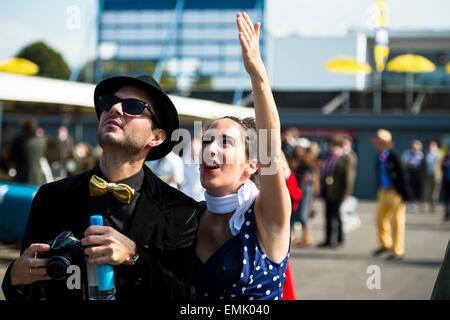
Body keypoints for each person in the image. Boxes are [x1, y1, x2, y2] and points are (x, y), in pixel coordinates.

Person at [2, 75, 199, 300]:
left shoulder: (180, 211)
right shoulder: (52, 197)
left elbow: (187, 298)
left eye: (133, 107)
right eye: (108, 102)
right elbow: (31, 289)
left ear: (155, 137)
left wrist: (134, 257)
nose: (114, 108)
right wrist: (14, 279)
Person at [194, 12, 291, 300]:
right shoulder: (189, 217)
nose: (210, 149)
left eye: (225, 142)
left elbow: (271, 145)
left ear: (251, 165)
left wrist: (258, 77)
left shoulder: (267, 217)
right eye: (207, 141)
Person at [371, 129, 413, 260]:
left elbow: (403, 175)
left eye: (381, 142)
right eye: (378, 142)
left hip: (395, 193)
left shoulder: (394, 155)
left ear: (387, 143)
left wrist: (408, 196)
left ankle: (397, 250)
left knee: (397, 221)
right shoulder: (379, 157)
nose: (379, 145)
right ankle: (385, 244)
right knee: (379, 218)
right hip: (383, 192)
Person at [318, 134, 356, 248]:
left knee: (337, 216)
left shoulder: (345, 157)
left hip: (338, 191)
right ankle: (328, 239)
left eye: (332, 144)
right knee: (328, 215)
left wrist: (347, 193)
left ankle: (339, 239)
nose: (330, 147)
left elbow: (349, 177)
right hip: (328, 190)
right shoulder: (330, 157)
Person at [8, 118, 47, 186]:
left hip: (21, 174)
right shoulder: (40, 140)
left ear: (22, 127)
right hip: (37, 175)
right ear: (33, 127)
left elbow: (12, 157)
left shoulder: (18, 140)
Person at [419, 139, 443, 214]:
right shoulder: (425, 153)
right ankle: (423, 207)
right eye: (430, 145)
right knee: (425, 192)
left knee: (435, 193)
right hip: (427, 175)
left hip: (436, 175)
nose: (431, 146)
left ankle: (433, 207)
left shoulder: (440, 153)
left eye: (432, 145)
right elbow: (422, 165)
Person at [401, 139, 424, 210]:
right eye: (413, 147)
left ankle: (415, 203)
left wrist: (410, 164)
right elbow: (404, 162)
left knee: (416, 189)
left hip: (417, 174)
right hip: (408, 173)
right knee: (408, 188)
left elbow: (421, 164)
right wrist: (409, 164)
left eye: (416, 148)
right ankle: (407, 203)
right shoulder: (406, 153)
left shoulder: (421, 155)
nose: (414, 149)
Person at [441, 149, 450, 223]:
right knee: (446, 200)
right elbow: (441, 168)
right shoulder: (445, 158)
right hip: (446, 182)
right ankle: (446, 216)